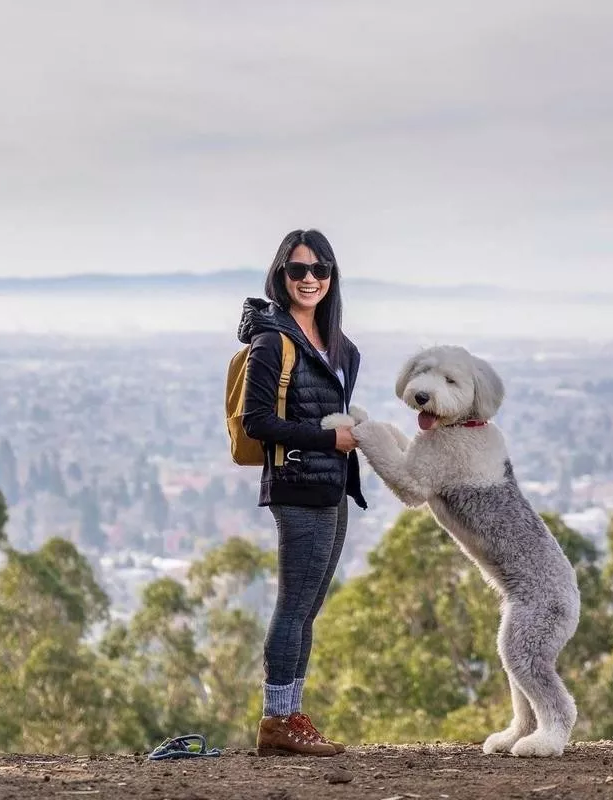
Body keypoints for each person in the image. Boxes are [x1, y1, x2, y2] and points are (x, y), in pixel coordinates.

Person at [236, 229, 366, 757]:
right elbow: (256, 420)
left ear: (332, 277)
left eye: (320, 269)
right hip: (297, 486)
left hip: (332, 485)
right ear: (280, 276)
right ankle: (276, 720)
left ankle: (290, 715)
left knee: (308, 608)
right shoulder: (274, 341)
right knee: (293, 607)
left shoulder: (338, 345)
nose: (309, 279)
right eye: (297, 270)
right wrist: (327, 437)